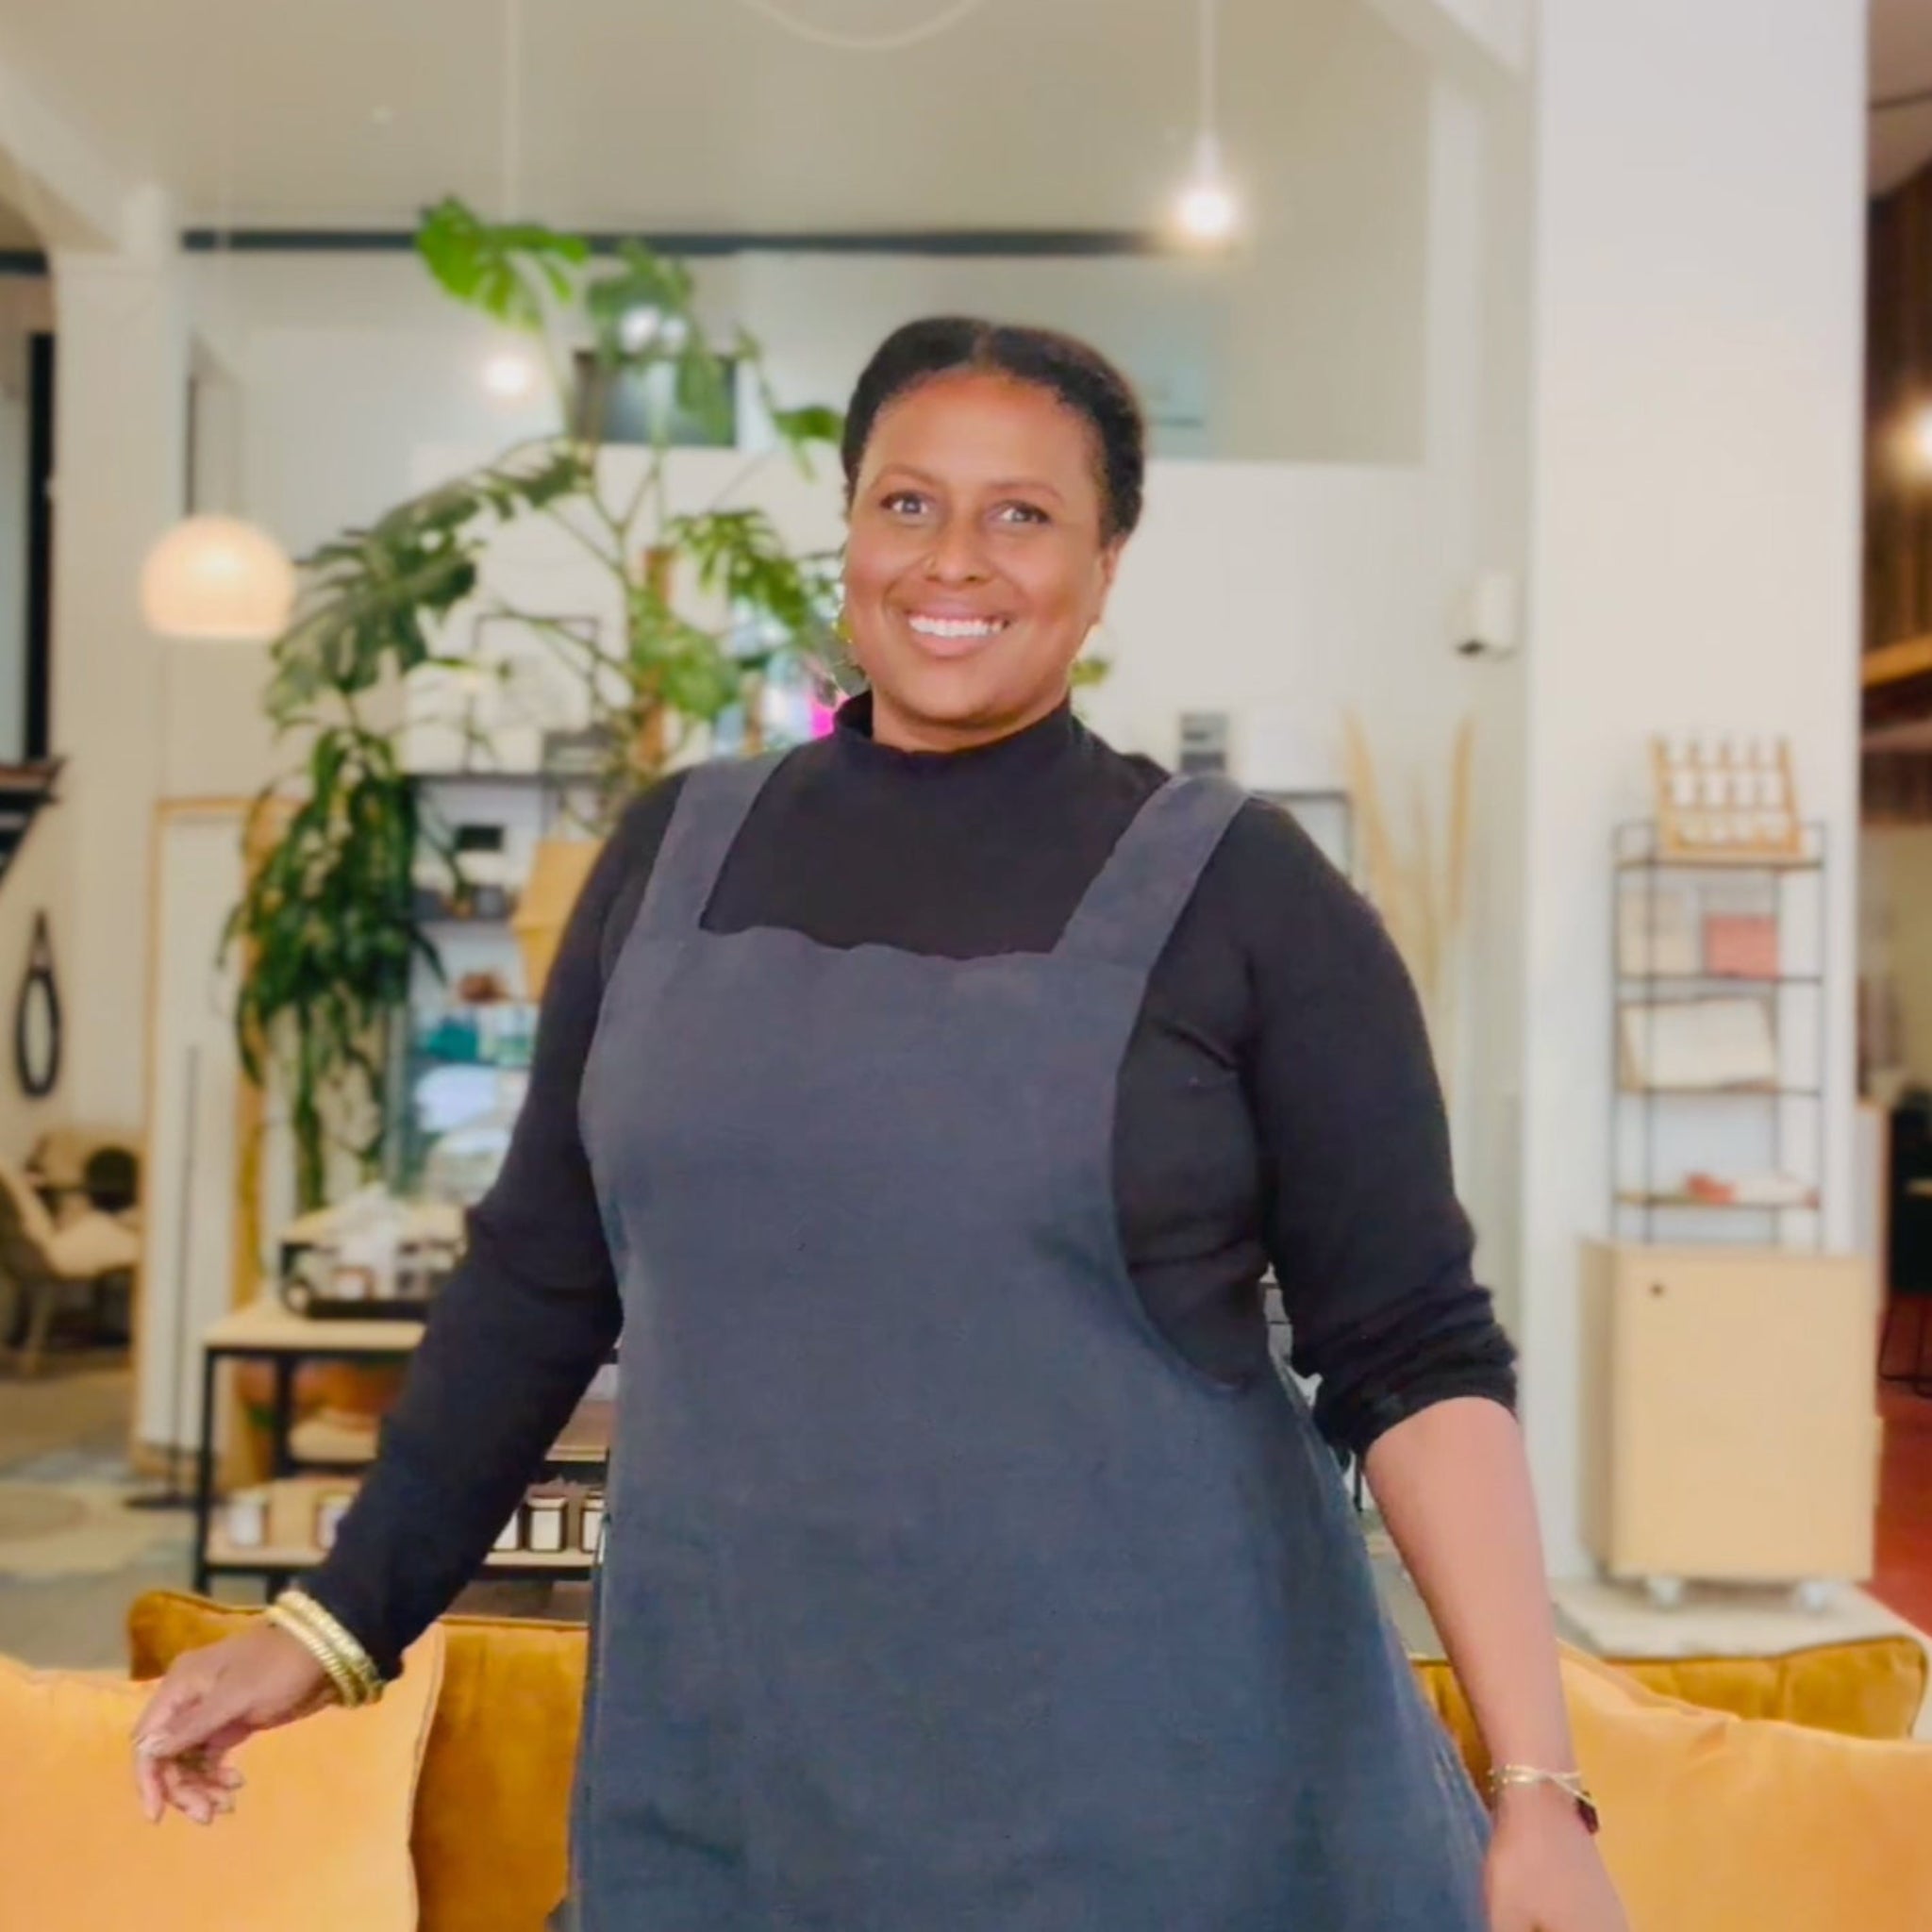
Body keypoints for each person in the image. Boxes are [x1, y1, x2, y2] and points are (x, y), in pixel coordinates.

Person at [133, 318, 1627, 1932]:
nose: (955, 559)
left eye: (1024, 514)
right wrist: (331, 1625)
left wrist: (1536, 1789)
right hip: (741, 1778)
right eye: (908, 504)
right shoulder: (674, 854)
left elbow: (1413, 1355)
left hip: (1169, 1793)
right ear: (849, 530)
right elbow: (537, 1283)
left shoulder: (1253, 895)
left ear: (1107, 563)